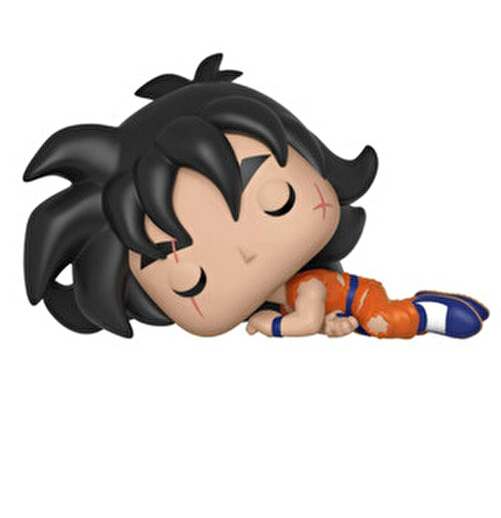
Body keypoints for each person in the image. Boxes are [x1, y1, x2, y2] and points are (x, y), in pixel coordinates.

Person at [23, 54, 488, 339]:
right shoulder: (299, 288)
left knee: (386, 322)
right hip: (347, 301)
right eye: (191, 281)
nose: (247, 253)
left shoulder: (306, 288)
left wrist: (275, 325)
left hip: (354, 301)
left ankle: (424, 315)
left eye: (277, 200)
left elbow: (302, 320)